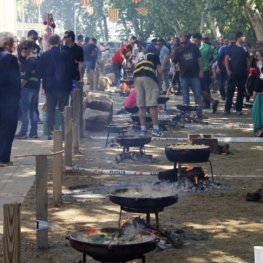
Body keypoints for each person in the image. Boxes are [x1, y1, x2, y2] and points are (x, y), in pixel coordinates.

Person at [37, 34, 75, 140]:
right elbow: (73, 71)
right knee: (64, 111)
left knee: (51, 110)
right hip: (64, 86)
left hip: (49, 87)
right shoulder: (67, 55)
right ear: (59, 42)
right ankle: (64, 132)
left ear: (49, 43)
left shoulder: (44, 55)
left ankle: (51, 133)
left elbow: (40, 72)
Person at [0, 32, 21, 167]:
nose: (15, 45)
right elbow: (14, 80)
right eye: (14, 42)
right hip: (8, 98)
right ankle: (3, 158)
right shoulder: (10, 58)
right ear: (7, 44)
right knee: (8, 128)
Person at [133, 44, 163, 137]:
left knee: (141, 106)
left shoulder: (142, 57)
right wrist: (158, 84)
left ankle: (143, 129)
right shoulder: (154, 56)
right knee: (152, 104)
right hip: (148, 76)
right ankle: (156, 128)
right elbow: (160, 71)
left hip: (137, 77)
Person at [172, 34, 204, 119]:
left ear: (188, 41)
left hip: (194, 75)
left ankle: (199, 113)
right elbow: (174, 61)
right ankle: (186, 113)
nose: (183, 44)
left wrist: (201, 70)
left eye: (185, 43)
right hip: (183, 76)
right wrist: (173, 67)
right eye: (181, 43)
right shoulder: (178, 50)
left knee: (197, 95)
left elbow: (199, 59)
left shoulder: (194, 47)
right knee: (185, 96)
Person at [15, 41, 40, 139]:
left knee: (25, 110)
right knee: (33, 109)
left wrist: (19, 87)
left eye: (25, 48)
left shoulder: (29, 61)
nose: (23, 50)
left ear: (30, 49)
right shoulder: (35, 60)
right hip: (35, 87)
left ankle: (23, 132)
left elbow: (26, 76)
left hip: (27, 88)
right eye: (22, 48)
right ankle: (33, 132)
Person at [224, 32, 249, 115]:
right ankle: (227, 109)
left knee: (241, 91)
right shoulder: (231, 47)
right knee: (230, 90)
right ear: (238, 37)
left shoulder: (245, 48)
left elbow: (247, 60)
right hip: (233, 72)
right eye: (243, 36)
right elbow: (226, 59)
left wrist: (248, 70)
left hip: (242, 73)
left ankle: (239, 109)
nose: (244, 38)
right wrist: (228, 70)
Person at [192, 33, 219, 113]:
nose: (195, 42)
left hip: (204, 70)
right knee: (198, 89)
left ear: (200, 40)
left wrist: (211, 63)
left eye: (196, 41)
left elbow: (217, 54)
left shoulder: (207, 47)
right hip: (195, 71)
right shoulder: (192, 48)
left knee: (204, 88)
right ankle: (212, 102)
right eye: (193, 41)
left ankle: (205, 103)